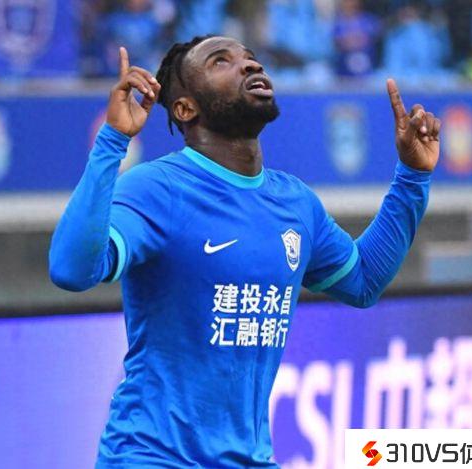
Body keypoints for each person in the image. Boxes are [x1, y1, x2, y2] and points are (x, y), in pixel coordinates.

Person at [49, 35, 440, 468]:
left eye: (250, 58)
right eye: (221, 62)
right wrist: (112, 141)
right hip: (153, 457)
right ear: (185, 109)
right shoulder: (157, 188)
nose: (250, 66)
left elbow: (364, 281)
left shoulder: (294, 201)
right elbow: (71, 270)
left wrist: (412, 176)